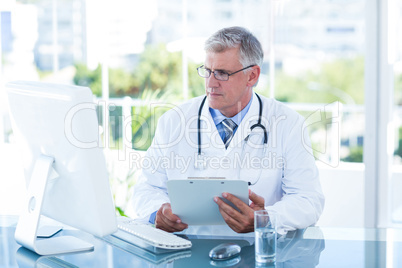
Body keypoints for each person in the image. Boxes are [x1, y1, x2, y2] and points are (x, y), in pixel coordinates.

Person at [131, 26, 324, 235]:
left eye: (222, 73)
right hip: (188, 250)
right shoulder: (173, 121)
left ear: (252, 76)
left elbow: (308, 200)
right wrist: (157, 213)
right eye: (207, 71)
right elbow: (146, 188)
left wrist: (265, 218)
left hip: (257, 251)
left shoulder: (288, 123)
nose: (211, 83)